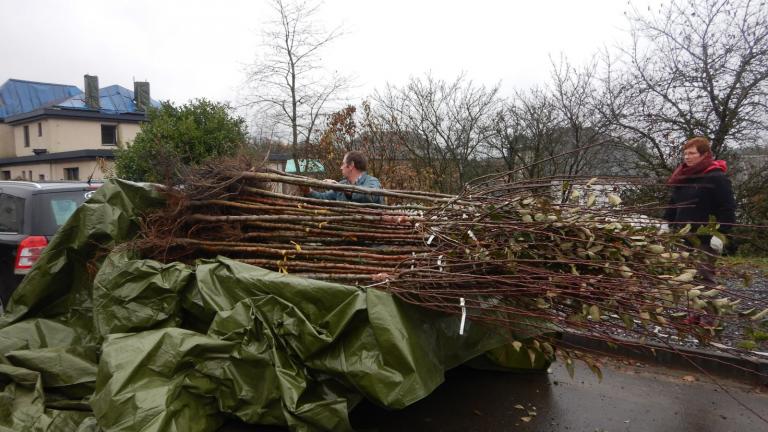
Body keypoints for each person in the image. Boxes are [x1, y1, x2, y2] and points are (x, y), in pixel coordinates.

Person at [664, 136, 736, 283]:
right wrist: (665, 222)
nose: (687, 157)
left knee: (703, 278)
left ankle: (708, 304)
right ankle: (685, 306)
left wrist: (721, 233)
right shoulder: (684, 176)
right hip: (683, 236)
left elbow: (727, 207)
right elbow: (674, 202)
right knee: (681, 277)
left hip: (706, 239)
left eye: (692, 153)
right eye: (685, 154)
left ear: (704, 155)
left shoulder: (716, 177)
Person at [303, 151, 385, 204]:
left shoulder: (372, 181)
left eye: (343, 164)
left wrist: (342, 189)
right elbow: (323, 199)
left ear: (351, 165)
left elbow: (369, 196)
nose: (341, 167)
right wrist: (308, 191)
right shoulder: (342, 184)